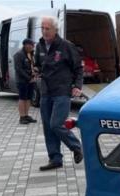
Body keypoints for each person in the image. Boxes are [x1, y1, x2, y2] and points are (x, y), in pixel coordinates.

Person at [34, 16, 83, 171]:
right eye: (42, 28)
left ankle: (76, 147)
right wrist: (36, 71)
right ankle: (55, 158)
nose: (44, 31)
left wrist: (77, 86)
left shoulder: (66, 46)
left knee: (56, 124)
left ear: (55, 29)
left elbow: (78, 68)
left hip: (62, 91)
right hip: (46, 91)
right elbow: (37, 65)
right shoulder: (39, 46)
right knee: (48, 127)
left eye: (47, 28)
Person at [13, 38, 38, 124]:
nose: (33, 46)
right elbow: (19, 69)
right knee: (22, 98)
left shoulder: (30, 53)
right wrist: (28, 78)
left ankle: (26, 115)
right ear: (26, 45)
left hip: (31, 80)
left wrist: (35, 70)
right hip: (22, 81)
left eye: (33, 45)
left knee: (28, 98)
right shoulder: (18, 54)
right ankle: (22, 117)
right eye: (31, 45)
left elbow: (32, 65)